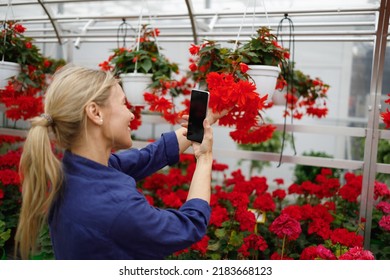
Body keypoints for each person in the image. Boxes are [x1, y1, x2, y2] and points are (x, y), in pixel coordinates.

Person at [14, 64, 221, 260]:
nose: (131, 114)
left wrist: (202, 122)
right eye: (123, 103)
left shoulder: (75, 171)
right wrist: (204, 158)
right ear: (95, 112)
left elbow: (149, 157)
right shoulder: (115, 206)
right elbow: (189, 226)